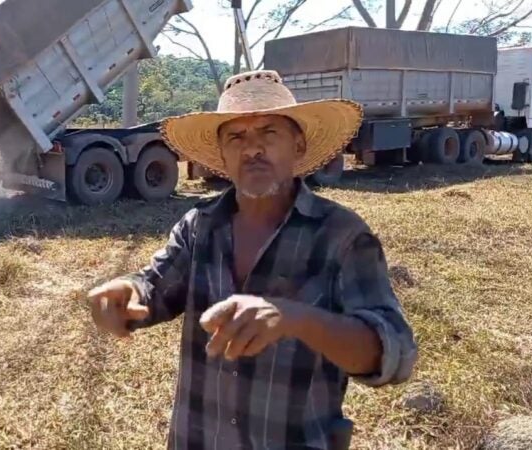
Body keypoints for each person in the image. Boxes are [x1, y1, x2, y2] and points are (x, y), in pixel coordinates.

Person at [86, 69, 417, 450]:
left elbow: (395, 354)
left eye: (269, 133)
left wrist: (296, 319)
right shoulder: (199, 226)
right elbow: (155, 287)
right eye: (236, 137)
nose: (252, 148)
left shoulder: (341, 237)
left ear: (298, 146)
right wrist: (126, 293)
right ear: (222, 156)